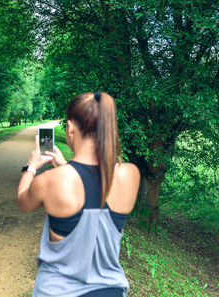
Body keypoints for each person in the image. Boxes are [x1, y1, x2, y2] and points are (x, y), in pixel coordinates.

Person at [17, 92, 140, 296]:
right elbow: (92, 186)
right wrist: (66, 166)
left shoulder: (54, 180)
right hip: (110, 290)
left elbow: (23, 201)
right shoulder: (130, 174)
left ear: (71, 127)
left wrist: (30, 167)